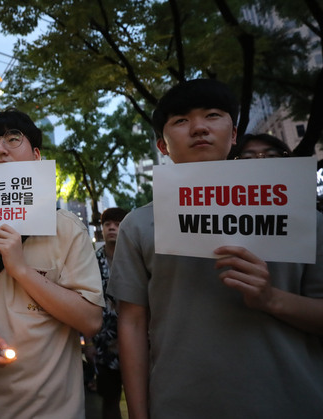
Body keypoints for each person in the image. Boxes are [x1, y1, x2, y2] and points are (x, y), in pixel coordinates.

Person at [110, 79, 323, 419]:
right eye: (180, 121)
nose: (198, 128)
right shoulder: (137, 226)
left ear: (234, 134)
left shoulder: (304, 217)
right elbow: (132, 325)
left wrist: (271, 299)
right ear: (162, 146)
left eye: (212, 115)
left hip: (293, 401)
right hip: (179, 405)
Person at [0, 109, 104, 418]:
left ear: (36, 156)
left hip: (53, 407)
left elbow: (90, 321)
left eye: (13, 139)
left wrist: (21, 270)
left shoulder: (66, 227)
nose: (0, 149)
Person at [83, 207, 128, 419]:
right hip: (103, 344)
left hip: (136, 340)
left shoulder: (135, 257)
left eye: (118, 224)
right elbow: (85, 301)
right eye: (108, 224)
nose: (112, 228)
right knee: (109, 400)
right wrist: (89, 343)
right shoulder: (91, 261)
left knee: (143, 396)